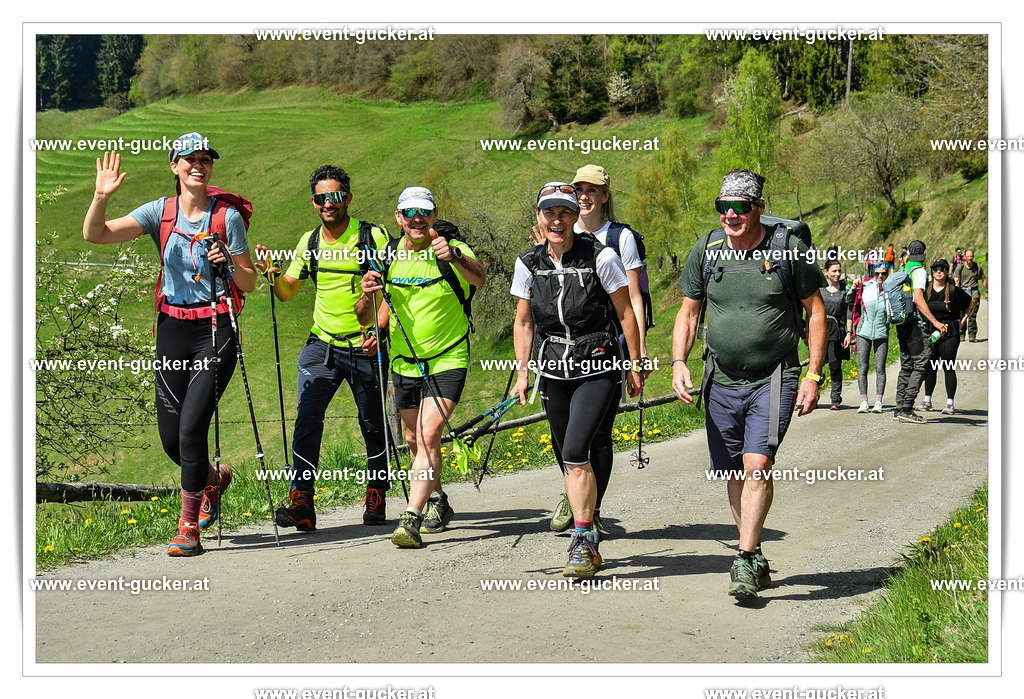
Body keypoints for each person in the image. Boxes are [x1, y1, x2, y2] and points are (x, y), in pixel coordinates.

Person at [83, 136, 258, 556]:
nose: (199, 165)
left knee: (191, 427)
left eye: (205, 160)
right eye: (190, 160)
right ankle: (213, 480)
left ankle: (188, 527)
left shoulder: (227, 217)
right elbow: (96, 234)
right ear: (174, 166)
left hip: (216, 330)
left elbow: (249, 281)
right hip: (172, 328)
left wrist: (228, 264)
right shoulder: (158, 212)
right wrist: (100, 197)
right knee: (170, 439)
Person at [671, 169, 826, 599]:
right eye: (724, 206)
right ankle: (754, 552)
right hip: (719, 377)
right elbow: (687, 313)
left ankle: (742, 557)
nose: (732, 215)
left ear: (758, 207)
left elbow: (815, 311)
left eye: (741, 206)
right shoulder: (707, 250)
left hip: (774, 375)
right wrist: (678, 362)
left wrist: (814, 372)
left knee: (756, 464)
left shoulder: (789, 250)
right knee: (733, 472)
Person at [511, 182, 645, 577]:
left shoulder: (600, 257)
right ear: (538, 216)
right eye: (549, 212)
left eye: (565, 212)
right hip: (553, 366)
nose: (557, 220)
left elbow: (625, 313)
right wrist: (522, 372)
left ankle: (584, 539)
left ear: (574, 217)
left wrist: (636, 363)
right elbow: (522, 321)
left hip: (597, 362)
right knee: (564, 454)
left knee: (575, 450)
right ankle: (591, 518)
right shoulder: (528, 263)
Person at [254, 165, 393, 532]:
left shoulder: (372, 236)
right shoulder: (309, 242)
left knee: (372, 422)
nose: (327, 203)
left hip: (364, 344)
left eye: (334, 196)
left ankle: (377, 491)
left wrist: (379, 331)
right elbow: (286, 292)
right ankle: (302, 500)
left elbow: (394, 289)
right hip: (322, 346)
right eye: (320, 198)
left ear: (348, 196)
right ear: (313, 202)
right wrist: (271, 275)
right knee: (307, 416)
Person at [360, 186, 487, 548]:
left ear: (433, 216)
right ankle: (438, 501)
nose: (417, 218)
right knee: (416, 441)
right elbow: (372, 315)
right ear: (398, 219)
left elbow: (479, 277)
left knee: (429, 435)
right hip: (404, 362)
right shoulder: (387, 256)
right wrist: (368, 296)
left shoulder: (450, 251)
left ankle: (410, 517)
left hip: (448, 357)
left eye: (425, 212)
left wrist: (457, 257)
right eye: (409, 212)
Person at [542, 164, 653, 536]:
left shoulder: (619, 239)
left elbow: (633, 300)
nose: (586, 195)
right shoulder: (557, 233)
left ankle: (593, 509)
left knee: (598, 433)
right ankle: (576, 494)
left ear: (606, 195)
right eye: (580, 189)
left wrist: (638, 355)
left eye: (593, 189)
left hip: (610, 347)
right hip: (561, 355)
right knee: (568, 435)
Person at [892, 240, 948, 424]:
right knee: (921, 363)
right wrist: (935, 322)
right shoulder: (920, 271)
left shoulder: (903, 270)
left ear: (908, 253)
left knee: (906, 365)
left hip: (902, 323)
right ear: (924, 253)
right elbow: (918, 298)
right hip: (916, 324)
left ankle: (899, 407)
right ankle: (907, 408)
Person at [919, 259, 974, 415]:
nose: (938, 271)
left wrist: (962, 322)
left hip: (950, 333)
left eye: (942, 269)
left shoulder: (954, 291)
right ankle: (927, 400)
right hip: (932, 332)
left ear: (947, 271)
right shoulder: (926, 290)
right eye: (935, 269)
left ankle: (950, 403)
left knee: (947, 366)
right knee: (930, 366)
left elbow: (971, 303)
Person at [847, 264, 891, 413]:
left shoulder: (890, 288)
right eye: (877, 273)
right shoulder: (866, 285)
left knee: (880, 368)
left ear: (887, 274)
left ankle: (878, 402)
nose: (880, 276)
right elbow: (849, 299)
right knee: (863, 367)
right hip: (863, 332)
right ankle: (864, 401)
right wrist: (853, 287)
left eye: (883, 274)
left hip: (882, 333)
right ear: (873, 273)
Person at [821, 259, 850, 410]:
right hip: (820, 329)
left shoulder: (844, 289)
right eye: (834, 271)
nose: (837, 273)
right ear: (826, 272)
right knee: (816, 366)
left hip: (837, 331)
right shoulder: (819, 288)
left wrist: (849, 333)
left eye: (839, 271)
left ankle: (835, 398)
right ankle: (811, 396)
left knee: (835, 365)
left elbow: (849, 311)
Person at [952, 249, 987, 342]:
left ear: (973, 256)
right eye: (968, 256)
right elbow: (956, 279)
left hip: (974, 291)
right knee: (962, 314)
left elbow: (983, 279)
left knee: (972, 315)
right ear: (965, 257)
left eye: (971, 256)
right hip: (963, 291)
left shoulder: (977, 267)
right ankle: (961, 334)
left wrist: (987, 291)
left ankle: (972, 335)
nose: (970, 258)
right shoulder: (960, 267)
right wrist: (956, 289)